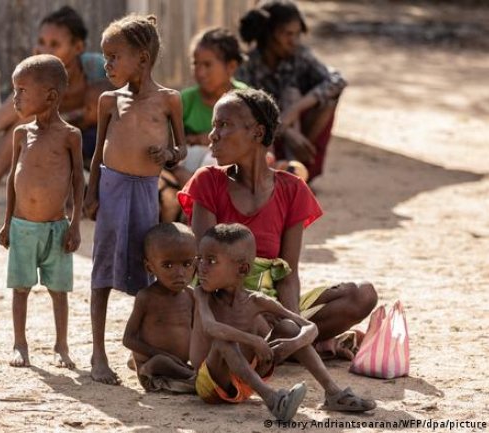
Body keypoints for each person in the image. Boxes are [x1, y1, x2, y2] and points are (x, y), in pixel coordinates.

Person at [179, 88, 377, 358]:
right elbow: (208, 267)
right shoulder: (207, 181)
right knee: (257, 325)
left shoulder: (291, 188)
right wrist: (257, 311)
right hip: (223, 305)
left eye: (223, 125)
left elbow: (287, 273)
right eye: (214, 125)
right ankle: (291, 346)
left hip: (272, 307)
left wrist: (293, 325)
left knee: (362, 295)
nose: (213, 135)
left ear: (257, 133)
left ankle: (285, 345)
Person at [84, 14, 186, 385]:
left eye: (114, 57)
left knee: (146, 267)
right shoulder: (109, 101)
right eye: (105, 57)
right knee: (102, 269)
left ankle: (141, 352)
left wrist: (169, 155)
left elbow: (182, 149)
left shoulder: (168, 100)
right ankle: (98, 352)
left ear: (142, 59)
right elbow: (97, 154)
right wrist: (91, 191)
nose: (107, 65)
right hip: (112, 189)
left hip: (145, 191)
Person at [0, 6, 107, 224]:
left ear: (78, 47)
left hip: (95, 150)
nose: (44, 49)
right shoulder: (37, 72)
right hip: (56, 148)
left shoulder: (97, 67)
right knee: (26, 122)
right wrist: (35, 82)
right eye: (41, 42)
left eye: (54, 45)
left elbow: (117, 107)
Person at [191, 224, 376, 419]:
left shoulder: (256, 300)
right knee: (223, 342)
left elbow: (309, 327)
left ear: (243, 269)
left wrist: (293, 344)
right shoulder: (202, 295)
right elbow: (211, 328)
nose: (201, 267)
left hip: (247, 378)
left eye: (211, 261)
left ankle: (333, 393)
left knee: (288, 327)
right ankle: (272, 399)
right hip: (211, 382)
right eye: (200, 259)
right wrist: (253, 341)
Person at [0, 54, 84, 369]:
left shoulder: (70, 135)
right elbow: (11, 181)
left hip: (56, 229)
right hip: (22, 227)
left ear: (50, 96)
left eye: (21, 91)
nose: (15, 98)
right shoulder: (21, 134)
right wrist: (6, 223)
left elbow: (77, 181)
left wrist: (75, 225)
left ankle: (61, 346)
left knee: (58, 291)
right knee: (20, 289)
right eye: (14, 91)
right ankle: (20, 344)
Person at [237, 0, 346, 182]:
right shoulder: (247, 65)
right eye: (287, 34)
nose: (293, 41)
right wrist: (285, 129)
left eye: (297, 34)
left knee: (301, 95)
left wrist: (294, 110)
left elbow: (337, 80)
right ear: (268, 34)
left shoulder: (299, 56)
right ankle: (278, 169)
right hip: (267, 141)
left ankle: (296, 168)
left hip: (302, 140)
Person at [159, 28, 249, 223]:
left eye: (208, 65)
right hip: (184, 171)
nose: (200, 72)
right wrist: (178, 171)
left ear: (231, 66)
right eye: (195, 64)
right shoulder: (185, 99)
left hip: (231, 174)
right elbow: (167, 142)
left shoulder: (246, 100)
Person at [122, 222, 196, 393]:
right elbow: (128, 339)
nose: (179, 273)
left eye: (187, 264)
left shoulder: (191, 296)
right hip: (154, 365)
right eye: (168, 265)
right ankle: (193, 377)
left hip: (182, 362)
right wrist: (159, 353)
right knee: (162, 362)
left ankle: (190, 374)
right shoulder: (147, 298)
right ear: (150, 267)